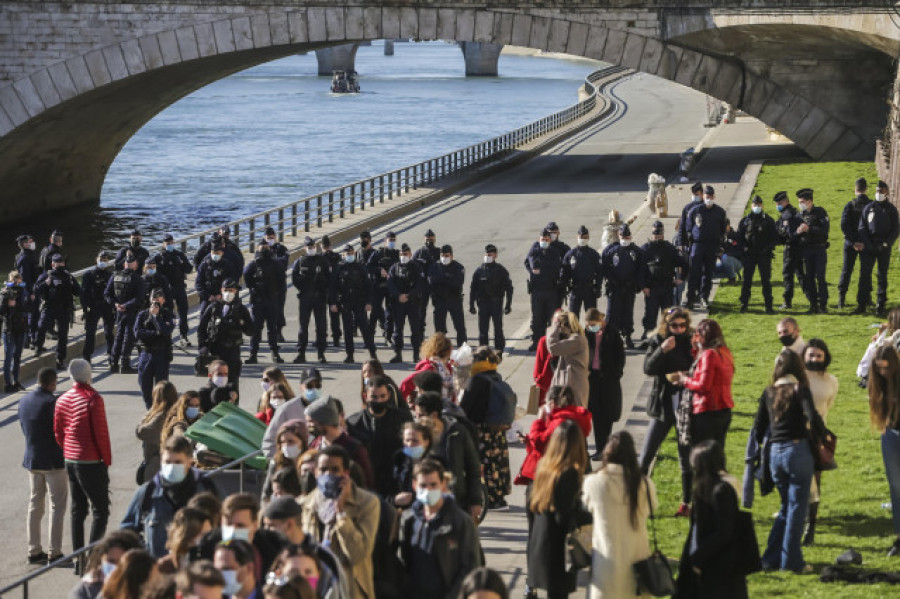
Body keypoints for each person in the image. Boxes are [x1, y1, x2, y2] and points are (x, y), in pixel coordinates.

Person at [753, 349, 824, 573]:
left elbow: (758, 429)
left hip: (775, 454)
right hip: (797, 451)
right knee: (797, 509)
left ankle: (770, 558)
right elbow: (813, 417)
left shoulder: (769, 391)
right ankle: (792, 562)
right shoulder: (800, 389)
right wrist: (823, 435)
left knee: (786, 507)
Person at [299, 445, 380, 599]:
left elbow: (357, 554)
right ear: (316, 473)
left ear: (346, 473)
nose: (328, 474)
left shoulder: (367, 503)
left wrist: (341, 512)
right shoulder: (306, 504)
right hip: (316, 586)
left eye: (335, 469)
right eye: (323, 470)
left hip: (348, 586)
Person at [582, 431, 656, 599]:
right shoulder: (644, 484)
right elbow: (651, 509)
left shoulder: (594, 483)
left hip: (605, 562)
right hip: (638, 563)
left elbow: (587, 507)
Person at [121, 434, 218, 558]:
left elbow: (218, 527)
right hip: (159, 571)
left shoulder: (204, 488)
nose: (172, 467)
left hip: (194, 571)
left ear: (189, 462)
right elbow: (127, 531)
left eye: (178, 462)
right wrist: (146, 554)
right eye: (168, 462)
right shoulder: (147, 492)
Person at [398, 458, 481, 599]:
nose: (428, 490)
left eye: (433, 485)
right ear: (414, 485)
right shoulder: (408, 520)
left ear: (443, 484)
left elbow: (470, 567)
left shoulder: (460, 522)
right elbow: (401, 563)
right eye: (423, 485)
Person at [638, 307, 695, 515]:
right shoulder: (659, 341)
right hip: (662, 404)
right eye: (674, 326)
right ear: (666, 325)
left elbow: (699, 367)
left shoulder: (692, 341)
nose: (678, 329)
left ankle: (687, 503)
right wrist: (662, 350)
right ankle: (640, 501)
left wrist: (686, 374)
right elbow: (648, 368)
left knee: (685, 457)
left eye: (682, 325)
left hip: (685, 404)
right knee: (646, 456)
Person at [674, 440, 748, 597]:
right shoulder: (702, 489)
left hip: (720, 567)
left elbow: (724, 532)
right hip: (706, 562)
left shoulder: (721, 490)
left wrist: (698, 557)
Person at [526, 420, 589, 599]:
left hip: (540, 546)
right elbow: (564, 516)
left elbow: (531, 510)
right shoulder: (568, 474)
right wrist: (589, 516)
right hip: (559, 552)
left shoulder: (543, 469)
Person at [54, 359, 111, 552]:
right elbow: (101, 433)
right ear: (89, 375)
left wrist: (67, 449)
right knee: (100, 510)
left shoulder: (62, 399)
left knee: (78, 509)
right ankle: (93, 556)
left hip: (70, 458)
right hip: (90, 459)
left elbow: (58, 431)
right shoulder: (93, 399)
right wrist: (106, 460)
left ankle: (79, 556)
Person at [18, 366, 67, 564]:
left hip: (32, 458)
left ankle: (33, 549)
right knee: (57, 506)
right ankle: (54, 551)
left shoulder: (24, 400)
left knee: (34, 505)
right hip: (53, 461)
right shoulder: (53, 403)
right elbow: (63, 430)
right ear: (53, 382)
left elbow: (23, 426)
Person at [414, 392, 484, 519]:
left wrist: (475, 501)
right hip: (426, 502)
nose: (417, 420)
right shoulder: (416, 436)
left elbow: (473, 467)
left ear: (434, 415)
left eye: (420, 415)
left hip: (457, 502)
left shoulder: (457, 432)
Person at [460, 346, 511, 509]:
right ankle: (499, 495)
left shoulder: (477, 379)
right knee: (498, 461)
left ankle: (491, 498)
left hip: (481, 429)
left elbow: (466, 406)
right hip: (496, 427)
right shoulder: (496, 375)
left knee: (485, 463)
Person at [347, 375, 413, 497]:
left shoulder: (402, 419)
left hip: (397, 485)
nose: (378, 401)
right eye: (374, 397)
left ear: (388, 395)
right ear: (365, 396)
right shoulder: (353, 423)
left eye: (382, 396)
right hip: (367, 487)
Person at [197, 493, 288, 580]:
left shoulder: (274, 549)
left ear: (255, 526)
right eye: (228, 524)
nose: (233, 530)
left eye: (240, 526)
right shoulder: (205, 549)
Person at [673, 319, 734, 449]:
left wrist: (684, 380)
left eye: (697, 334)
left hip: (707, 410)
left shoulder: (709, 354)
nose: (695, 337)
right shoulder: (724, 351)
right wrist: (696, 349)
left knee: (701, 454)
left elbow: (703, 385)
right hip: (724, 408)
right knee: (716, 453)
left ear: (703, 335)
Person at [801, 338, 838, 546]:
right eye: (811, 355)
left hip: (817, 435)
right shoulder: (797, 378)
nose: (814, 359)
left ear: (825, 357)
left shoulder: (832, 381)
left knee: (814, 481)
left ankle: (810, 527)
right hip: (795, 433)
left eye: (818, 355)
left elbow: (827, 408)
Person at [517, 385, 592, 486]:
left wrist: (539, 420)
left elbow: (540, 443)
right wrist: (528, 439)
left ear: (552, 403)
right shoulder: (578, 417)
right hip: (574, 468)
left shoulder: (559, 421)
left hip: (555, 471)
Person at [868, 344, 900, 556]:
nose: (883, 372)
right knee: (896, 487)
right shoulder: (878, 381)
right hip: (890, 434)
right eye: (879, 368)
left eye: (887, 368)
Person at [305, 395, 375, 489]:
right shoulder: (315, 444)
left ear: (323, 423)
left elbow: (366, 483)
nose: (308, 425)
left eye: (310, 422)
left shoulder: (354, 449)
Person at [584, 308, 625, 459]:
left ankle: (605, 448)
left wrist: (616, 373)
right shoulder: (586, 333)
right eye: (588, 324)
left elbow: (620, 355)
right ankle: (600, 448)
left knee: (607, 414)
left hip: (608, 379)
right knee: (595, 413)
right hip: (592, 378)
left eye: (593, 324)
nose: (590, 327)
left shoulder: (612, 333)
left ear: (601, 321)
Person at [198, 278, 254, 386]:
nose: (228, 293)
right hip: (215, 350)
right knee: (214, 383)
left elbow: (251, 331)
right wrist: (202, 346)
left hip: (232, 351)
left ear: (235, 291)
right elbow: (201, 327)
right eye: (226, 290)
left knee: (232, 383)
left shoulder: (241, 309)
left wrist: (242, 324)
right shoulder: (213, 308)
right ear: (221, 290)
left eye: (231, 290)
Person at [329, 244, 377, 364]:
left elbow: (368, 286)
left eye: (351, 253)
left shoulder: (360, 267)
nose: (349, 255)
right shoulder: (339, 268)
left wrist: (369, 302)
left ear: (354, 253)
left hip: (359, 301)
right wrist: (333, 303)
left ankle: (372, 353)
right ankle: (349, 355)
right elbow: (333, 288)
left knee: (364, 327)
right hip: (345, 302)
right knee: (348, 330)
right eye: (347, 253)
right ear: (343, 255)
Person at [858, 179, 900, 316]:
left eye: (881, 191)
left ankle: (880, 304)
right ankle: (862, 303)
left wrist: (886, 243)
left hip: (884, 246)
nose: (879, 193)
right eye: (877, 191)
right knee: (865, 275)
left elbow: (895, 229)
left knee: (882, 275)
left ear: (886, 192)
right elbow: (862, 227)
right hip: (869, 245)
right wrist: (868, 244)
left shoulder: (891, 209)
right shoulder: (868, 207)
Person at [34, 253, 80, 369]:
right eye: (58, 262)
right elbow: (36, 290)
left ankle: (60, 358)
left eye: (62, 262)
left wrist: (72, 284)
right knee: (41, 326)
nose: (60, 264)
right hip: (49, 307)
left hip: (64, 309)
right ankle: (38, 347)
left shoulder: (68, 276)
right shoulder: (46, 275)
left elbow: (78, 292)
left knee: (63, 335)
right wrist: (46, 284)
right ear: (53, 264)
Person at [684, 185, 727, 309]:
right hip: (697, 245)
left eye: (711, 197)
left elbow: (723, 230)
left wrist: (720, 247)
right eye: (707, 197)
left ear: (714, 197)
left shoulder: (719, 212)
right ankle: (690, 298)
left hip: (712, 246)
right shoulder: (695, 211)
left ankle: (704, 297)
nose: (709, 199)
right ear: (703, 196)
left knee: (708, 273)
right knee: (694, 273)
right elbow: (688, 229)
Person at [601, 224, 645, 348]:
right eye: (622, 236)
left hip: (629, 287)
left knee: (627, 313)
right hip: (614, 288)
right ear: (618, 236)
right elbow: (604, 268)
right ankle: (611, 338)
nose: (625, 238)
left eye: (627, 236)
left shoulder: (636, 251)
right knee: (611, 314)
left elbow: (641, 269)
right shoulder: (610, 250)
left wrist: (638, 284)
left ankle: (627, 336)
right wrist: (610, 280)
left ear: (630, 236)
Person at [640, 220, 685, 339]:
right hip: (652, 288)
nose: (658, 238)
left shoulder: (669, 248)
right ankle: (648, 335)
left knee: (668, 313)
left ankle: (668, 335)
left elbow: (682, 263)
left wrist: (680, 278)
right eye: (656, 236)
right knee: (651, 314)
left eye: (660, 236)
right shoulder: (645, 249)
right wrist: (643, 286)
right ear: (652, 234)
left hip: (666, 287)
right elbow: (640, 269)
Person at [244, 240, 287, 364]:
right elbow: (246, 275)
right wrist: (253, 288)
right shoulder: (254, 264)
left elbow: (281, 280)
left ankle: (274, 353)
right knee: (256, 329)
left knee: (272, 329)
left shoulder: (275, 263)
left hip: (272, 300)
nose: (264, 249)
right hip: (258, 300)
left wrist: (278, 295)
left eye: (266, 247)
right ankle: (253, 354)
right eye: (262, 247)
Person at [69, 530, 143, 599]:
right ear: (101, 560)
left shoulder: (146, 587)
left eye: (122, 562)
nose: (116, 567)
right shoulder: (85, 590)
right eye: (111, 561)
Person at [261, 367, 318, 458]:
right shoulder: (286, 409)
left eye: (317, 385)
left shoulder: (327, 409)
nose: (314, 389)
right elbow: (269, 443)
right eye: (309, 386)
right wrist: (279, 462)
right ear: (301, 386)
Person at [104, 251, 146, 373]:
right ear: (135, 265)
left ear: (124, 265)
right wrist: (126, 306)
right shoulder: (138, 279)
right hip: (131, 311)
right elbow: (139, 298)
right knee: (129, 337)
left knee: (119, 337)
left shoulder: (115, 276)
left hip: (118, 311)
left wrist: (116, 304)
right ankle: (125, 363)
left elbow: (107, 294)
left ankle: (113, 363)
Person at [134, 289, 175, 409]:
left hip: (161, 353)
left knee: (161, 387)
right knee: (144, 383)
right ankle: (149, 407)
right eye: (153, 299)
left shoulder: (168, 314)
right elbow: (137, 333)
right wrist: (155, 333)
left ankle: (160, 409)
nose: (155, 301)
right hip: (146, 353)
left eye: (158, 299)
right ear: (149, 299)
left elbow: (166, 331)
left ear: (163, 300)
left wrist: (156, 317)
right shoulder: (142, 314)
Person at [292, 237, 331, 364]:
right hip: (305, 297)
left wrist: (322, 281)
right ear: (305, 248)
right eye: (309, 247)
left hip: (319, 297)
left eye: (313, 247)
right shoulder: (300, 261)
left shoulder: (322, 261)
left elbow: (329, 278)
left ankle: (321, 354)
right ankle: (301, 353)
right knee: (303, 326)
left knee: (321, 326)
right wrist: (302, 285)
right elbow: (294, 278)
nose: (311, 249)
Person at [524, 228, 563, 352]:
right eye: (542, 239)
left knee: (551, 319)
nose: (544, 241)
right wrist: (534, 272)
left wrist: (541, 271)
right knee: (537, 318)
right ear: (539, 239)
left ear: (550, 240)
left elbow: (556, 269)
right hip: (537, 291)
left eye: (546, 240)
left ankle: (551, 342)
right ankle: (537, 342)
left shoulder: (554, 253)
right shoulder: (534, 252)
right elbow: (528, 263)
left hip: (551, 290)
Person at [469, 244, 513, 353]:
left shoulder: (500, 270)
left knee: (498, 328)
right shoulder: (479, 271)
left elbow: (509, 288)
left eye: (491, 253)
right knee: (483, 329)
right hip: (483, 304)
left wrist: (508, 305)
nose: (488, 255)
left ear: (495, 255)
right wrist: (471, 305)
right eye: (487, 253)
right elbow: (473, 289)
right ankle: (483, 350)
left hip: (496, 303)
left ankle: (499, 349)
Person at [737, 195, 778, 313]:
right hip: (749, 254)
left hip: (764, 255)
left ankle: (768, 305)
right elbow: (739, 237)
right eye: (755, 205)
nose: (757, 207)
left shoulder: (768, 220)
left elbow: (774, 238)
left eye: (759, 205)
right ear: (751, 206)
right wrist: (744, 248)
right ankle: (744, 304)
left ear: (763, 206)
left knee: (766, 280)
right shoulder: (745, 220)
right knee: (747, 280)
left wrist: (768, 248)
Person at [387, 243, 426, 363]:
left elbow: (419, 284)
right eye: (402, 254)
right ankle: (398, 353)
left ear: (410, 254)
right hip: (399, 302)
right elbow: (390, 283)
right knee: (398, 329)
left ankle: (416, 354)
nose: (403, 256)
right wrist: (398, 295)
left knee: (415, 329)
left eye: (406, 254)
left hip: (412, 302)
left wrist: (409, 295)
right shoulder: (394, 267)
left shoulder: (416, 267)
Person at [794, 188, 830, 314]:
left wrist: (809, 229)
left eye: (803, 201)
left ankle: (823, 304)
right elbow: (793, 234)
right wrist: (797, 232)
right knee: (809, 278)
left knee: (820, 277)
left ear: (810, 201)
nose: (801, 204)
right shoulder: (799, 216)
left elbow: (824, 230)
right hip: (806, 250)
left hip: (818, 248)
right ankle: (813, 304)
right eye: (799, 202)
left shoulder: (820, 212)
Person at [837, 177, 871, 310]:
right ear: (866, 189)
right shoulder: (871, 205)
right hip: (866, 244)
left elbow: (844, 225)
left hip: (850, 243)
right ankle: (866, 299)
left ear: (855, 189)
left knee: (846, 271)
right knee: (865, 272)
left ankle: (841, 298)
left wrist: (853, 241)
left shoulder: (850, 205)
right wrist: (863, 242)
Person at [136, 381, 179, 483]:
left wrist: (147, 416)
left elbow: (141, 432)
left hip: (157, 464)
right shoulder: (177, 412)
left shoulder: (160, 416)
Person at [546, 311, 589, 410]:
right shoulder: (575, 338)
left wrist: (555, 327)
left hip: (574, 382)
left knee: (574, 413)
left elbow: (553, 347)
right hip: (572, 381)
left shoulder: (577, 340)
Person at [157, 233, 194, 345]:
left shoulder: (179, 255)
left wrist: (182, 264)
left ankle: (183, 336)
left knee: (183, 311)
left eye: (171, 243)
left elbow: (189, 269)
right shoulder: (159, 257)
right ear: (163, 244)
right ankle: (166, 336)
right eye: (167, 243)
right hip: (167, 289)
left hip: (179, 286)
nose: (170, 245)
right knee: (167, 313)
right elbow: (156, 273)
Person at [428, 243, 467, 345]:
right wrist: (447, 277)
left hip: (454, 300)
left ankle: (462, 349)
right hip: (439, 300)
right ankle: (441, 351)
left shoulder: (458, 267)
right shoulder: (434, 267)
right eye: (442, 256)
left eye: (447, 256)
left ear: (451, 256)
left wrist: (442, 278)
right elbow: (431, 281)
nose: (444, 258)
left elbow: (458, 282)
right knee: (439, 329)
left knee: (460, 327)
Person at [80, 251, 115, 363]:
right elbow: (83, 294)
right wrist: (85, 310)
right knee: (90, 333)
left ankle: (111, 354)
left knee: (109, 332)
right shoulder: (88, 275)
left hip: (107, 307)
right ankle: (87, 356)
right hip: (93, 307)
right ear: (96, 260)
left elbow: (113, 293)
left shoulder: (110, 275)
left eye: (105, 260)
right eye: (101, 259)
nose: (103, 262)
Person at [391, 419, 434, 508]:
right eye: (407, 440)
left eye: (415, 441)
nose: (410, 444)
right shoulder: (398, 459)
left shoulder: (434, 463)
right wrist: (394, 500)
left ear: (426, 442)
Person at [560, 226, 602, 318]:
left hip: (589, 290)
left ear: (588, 238)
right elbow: (564, 271)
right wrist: (564, 286)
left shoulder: (593, 254)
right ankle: (575, 333)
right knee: (573, 318)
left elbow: (599, 272)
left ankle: (591, 333)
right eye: (581, 237)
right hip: (575, 290)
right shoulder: (571, 254)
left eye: (585, 237)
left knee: (591, 317)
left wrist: (598, 287)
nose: (583, 239)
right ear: (577, 237)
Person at [400, 332, 455, 401]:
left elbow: (406, 384)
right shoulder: (430, 367)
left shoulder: (447, 366)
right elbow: (407, 383)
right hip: (431, 408)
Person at [773, 190, 805, 310]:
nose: (777, 206)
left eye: (779, 203)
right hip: (798, 248)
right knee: (801, 275)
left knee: (788, 275)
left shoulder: (787, 215)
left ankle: (787, 302)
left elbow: (789, 235)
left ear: (786, 202)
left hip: (791, 249)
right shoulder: (793, 211)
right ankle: (813, 299)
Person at [156, 507, 213, 574]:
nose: (209, 538)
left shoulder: (212, 562)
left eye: (210, 534)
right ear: (187, 535)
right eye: (203, 534)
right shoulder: (165, 566)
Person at [261, 420, 307, 503]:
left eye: (291, 441)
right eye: (283, 442)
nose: (286, 446)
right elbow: (266, 494)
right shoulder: (276, 463)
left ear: (302, 441)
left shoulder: (309, 463)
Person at [367, 231, 401, 344]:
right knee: (375, 311)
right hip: (378, 286)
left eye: (393, 240)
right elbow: (368, 266)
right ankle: (370, 338)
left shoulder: (397, 254)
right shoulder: (378, 253)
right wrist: (379, 270)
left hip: (391, 287)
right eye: (389, 240)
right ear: (385, 241)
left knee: (391, 312)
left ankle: (388, 335)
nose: (391, 242)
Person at [1, 270, 30, 390]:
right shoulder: (5, 293)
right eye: (14, 282)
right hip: (9, 329)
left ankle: (16, 381)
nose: (16, 285)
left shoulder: (24, 292)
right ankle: (8, 384)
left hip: (21, 328)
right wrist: (7, 303)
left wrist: (17, 304)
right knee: (8, 357)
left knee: (17, 356)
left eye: (18, 282)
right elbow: (1, 311)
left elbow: (29, 308)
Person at [14, 233, 41, 349]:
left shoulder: (26, 255)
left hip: (30, 289)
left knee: (32, 316)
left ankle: (30, 339)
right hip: (30, 292)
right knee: (32, 316)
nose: (31, 243)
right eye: (28, 242)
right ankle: (31, 340)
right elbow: (26, 278)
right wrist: (32, 293)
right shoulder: (25, 258)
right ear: (23, 244)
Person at [195, 241, 235, 317]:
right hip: (208, 297)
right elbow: (198, 284)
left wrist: (221, 295)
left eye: (218, 253)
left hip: (223, 296)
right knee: (203, 315)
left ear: (222, 253)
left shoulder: (227, 265)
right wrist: (208, 296)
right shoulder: (204, 265)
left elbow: (232, 282)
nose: (215, 255)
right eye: (214, 253)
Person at [320, 235, 343, 348]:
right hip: (330, 289)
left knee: (326, 315)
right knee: (331, 315)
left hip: (327, 289)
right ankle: (335, 338)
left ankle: (330, 337)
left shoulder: (322, 258)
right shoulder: (336, 256)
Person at [714, 218, 742, 283]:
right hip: (722, 263)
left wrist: (726, 254)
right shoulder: (718, 238)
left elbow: (740, 252)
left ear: (728, 225)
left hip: (736, 262)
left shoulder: (736, 236)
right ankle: (728, 274)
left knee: (725, 258)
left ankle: (732, 278)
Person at [678, 182, 704, 251]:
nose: (694, 196)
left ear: (702, 194)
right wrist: (680, 243)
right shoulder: (687, 208)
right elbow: (682, 226)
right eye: (693, 194)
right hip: (689, 241)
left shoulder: (706, 208)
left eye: (697, 195)